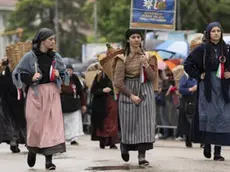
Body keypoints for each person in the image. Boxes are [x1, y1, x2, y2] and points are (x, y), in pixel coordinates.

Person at [12, 28, 68, 170]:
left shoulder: (56, 57)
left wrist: (58, 75)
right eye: (51, 39)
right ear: (42, 41)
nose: (53, 42)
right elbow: (17, 73)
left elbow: (65, 75)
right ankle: (32, 149)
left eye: (54, 39)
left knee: (51, 127)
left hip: (52, 94)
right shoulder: (29, 57)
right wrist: (30, 78)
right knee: (36, 126)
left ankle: (49, 161)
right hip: (36, 94)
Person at [184, 22, 230, 161]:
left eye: (218, 31)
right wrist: (199, 75)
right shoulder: (202, 49)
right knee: (209, 117)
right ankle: (207, 145)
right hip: (207, 88)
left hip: (223, 89)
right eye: (213, 31)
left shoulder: (226, 49)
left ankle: (218, 151)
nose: (216, 33)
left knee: (222, 117)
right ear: (208, 33)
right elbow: (188, 64)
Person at [114, 29, 158, 167]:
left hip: (145, 89)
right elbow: (118, 82)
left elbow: (153, 77)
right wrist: (131, 95)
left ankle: (142, 156)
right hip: (128, 90)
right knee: (129, 124)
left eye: (138, 37)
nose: (136, 39)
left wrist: (146, 65)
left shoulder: (148, 56)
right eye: (133, 37)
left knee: (144, 124)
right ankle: (125, 146)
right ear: (128, 40)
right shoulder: (122, 58)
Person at [0, 58, 26, 153]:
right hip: (11, 103)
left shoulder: (15, 75)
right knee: (16, 123)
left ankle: (15, 140)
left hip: (14, 103)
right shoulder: (10, 75)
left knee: (16, 123)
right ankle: (14, 141)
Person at [91, 69, 119, 149]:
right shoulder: (99, 76)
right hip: (101, 102)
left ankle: (112, 142)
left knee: (112, 120)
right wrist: (102, 90)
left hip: (112, 100)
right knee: (102, 121)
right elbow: (93, 90)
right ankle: (102, 140)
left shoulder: (115, 75)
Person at [61, 64, 87, 145]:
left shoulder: (75, 78)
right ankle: (63, 138)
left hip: (74, 103)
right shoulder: (60, 78)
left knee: (75, 122)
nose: (69, 72)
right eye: (67, 70)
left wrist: (83, 104)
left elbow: (81, 92)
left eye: (70, 70)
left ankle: (73, 138)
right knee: (64, 122)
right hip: (64, 103)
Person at [178, 72, 197, 147]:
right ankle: (188, 138)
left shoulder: (199, 75)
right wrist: (191, 89)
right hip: (187, 101)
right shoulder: (185, 77)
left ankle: (202, 141)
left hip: (197, 100)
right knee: (188, 122)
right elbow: (181, 89)